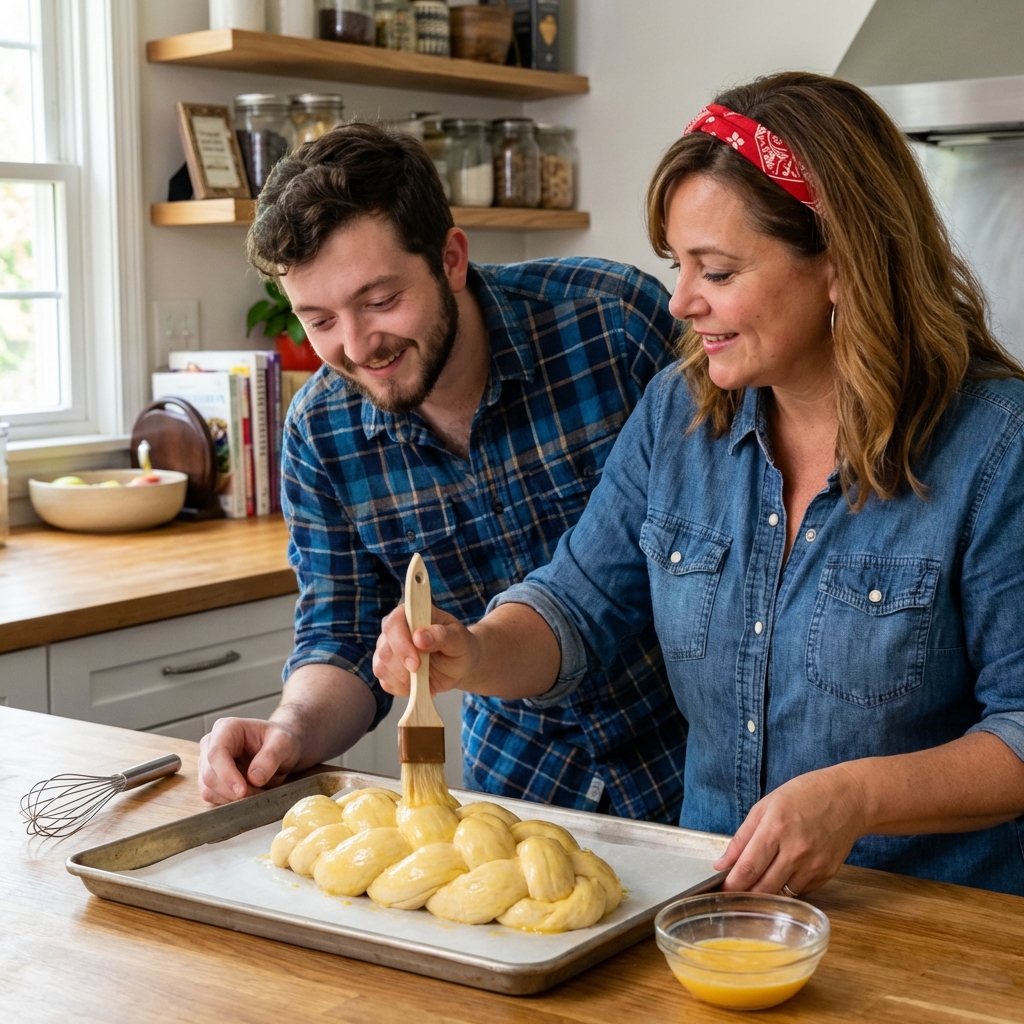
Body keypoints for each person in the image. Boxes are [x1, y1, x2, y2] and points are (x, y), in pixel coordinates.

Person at [375, 72, 1024, 896]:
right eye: (677, 265)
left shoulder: (996, 445)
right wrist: (472, 652)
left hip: (936, 928)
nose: (680, 301)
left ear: (839, 264)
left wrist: (856, 799)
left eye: (715, 272)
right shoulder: (678, 415)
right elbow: (576, 605)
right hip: (716, 911)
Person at [197, 122, 689, 823]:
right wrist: (290, 732)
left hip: (701, 766)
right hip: (523, 795)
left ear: (451, 258)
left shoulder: (613, 326)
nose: (357, 345)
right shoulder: (320, 433)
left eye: (380, 300)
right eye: (319, 318)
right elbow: (340, 636)